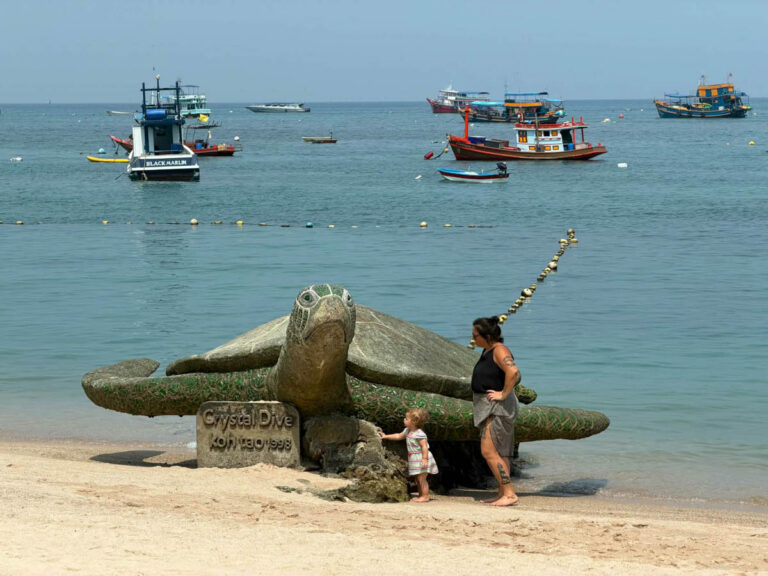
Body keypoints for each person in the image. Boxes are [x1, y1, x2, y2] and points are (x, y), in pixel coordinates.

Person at [471, 316, 520, 506]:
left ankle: (509, 493)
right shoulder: (488, 350)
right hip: (490, 407)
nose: (473, 339)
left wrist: (503, 394)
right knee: (500, 452)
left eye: (476, 336)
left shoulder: (500, 350)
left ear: (488, 335)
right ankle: (503, 493)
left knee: (488, 451)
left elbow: (513, 372)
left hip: (496, 408)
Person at [379, 408, 438, 502]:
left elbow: (424, 447)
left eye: (406, 418)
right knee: (417, 478)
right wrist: (386, 436)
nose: (404, 420)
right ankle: (421, 495)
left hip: (421, 458)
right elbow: (398, 436)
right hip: (414, 458)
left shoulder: (420, 434)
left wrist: (425, 458)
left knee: (422, 479)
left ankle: (425, 496)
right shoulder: (407, 430)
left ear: (414, 422)